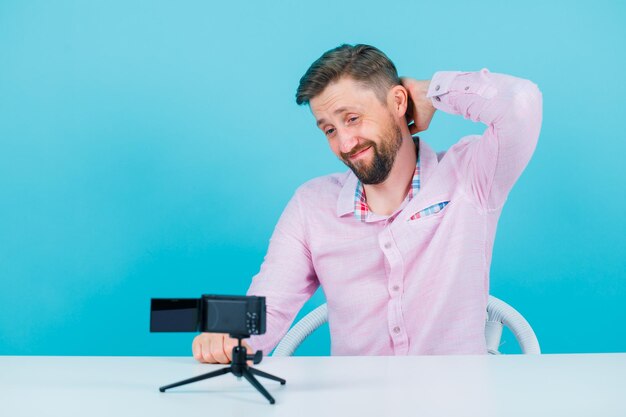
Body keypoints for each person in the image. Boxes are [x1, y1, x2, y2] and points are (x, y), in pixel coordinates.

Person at [192, 44, 542, 363]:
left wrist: (429, 92)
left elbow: (521, 102)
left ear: (398, 102)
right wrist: (229, 337)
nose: (345, 143)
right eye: (328, 129)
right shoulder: (311, 206)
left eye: (353, 118)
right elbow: (266, 312)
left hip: (456, 403)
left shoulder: (469, 177)